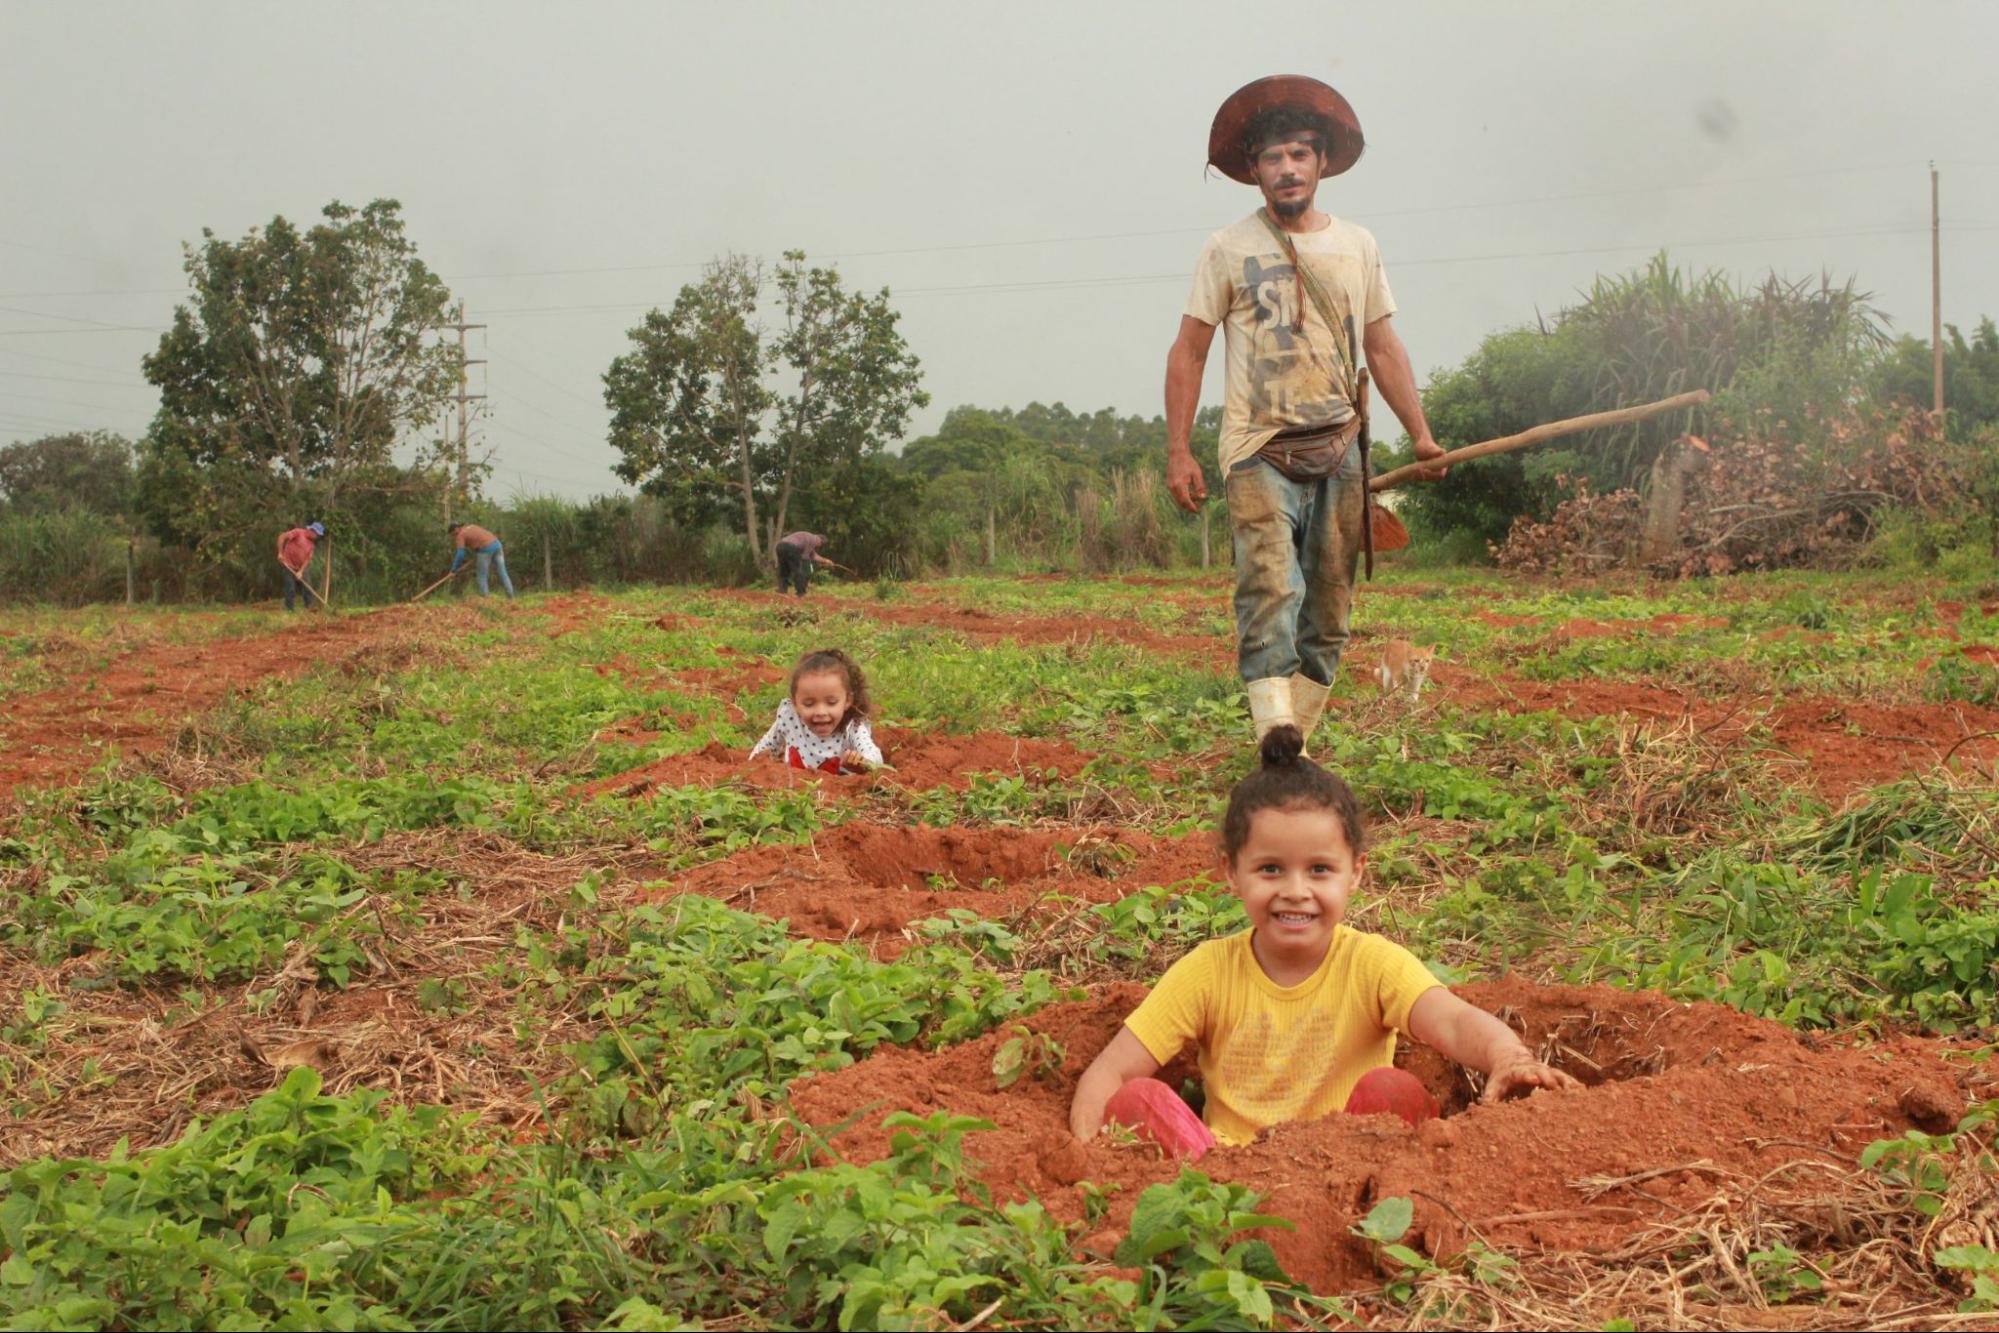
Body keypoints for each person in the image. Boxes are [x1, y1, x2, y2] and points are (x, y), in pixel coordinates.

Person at [1069, 726, 1578, 1156]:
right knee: (1139, 1099)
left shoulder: (1372, 964)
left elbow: (1451, 1019)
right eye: (1270, 869)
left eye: (1319, 870)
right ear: (1231, 873)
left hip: (1350, 1167)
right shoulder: (1208, 971)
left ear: (1354, 873)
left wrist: (1508, 1056)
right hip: (1221, 1181)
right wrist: (1085, 1161)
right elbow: (1109, 1074)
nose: (1296, 892)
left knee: (1393, 1090)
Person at [1164, 76, 1450, 749]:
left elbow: (1380, 345)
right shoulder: (1226, 248)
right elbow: (1188, 350)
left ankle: (1294, 741)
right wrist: (1178, 449)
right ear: (1255, 172)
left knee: (1327, 611)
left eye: (1298, 153)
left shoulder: (1356, 246)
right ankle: (1276, 749)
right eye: (1272, 157)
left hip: (1339, 448)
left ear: (1321, 162)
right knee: (1269, 591)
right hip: (1257, 448)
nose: (1286, 168)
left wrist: (1422, 434)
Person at [748, 648, 883, 775]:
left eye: (831, 703)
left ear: (847, 700)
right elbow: (762, 751)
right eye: (809, 704)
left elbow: (875, 757)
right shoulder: (790, 718)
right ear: (795, 703)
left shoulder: (852, 727)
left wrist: (862, 762)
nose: (820, 712)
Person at [448, 522, 516, 599]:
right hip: (497, 545)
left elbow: (460, 554)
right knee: (503, 573)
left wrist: (454, 570)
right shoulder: (472, 526)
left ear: (456, 529)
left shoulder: (460, 535)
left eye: (453, 534)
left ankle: (485, 599)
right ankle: (511, 598)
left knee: (481, 575)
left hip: (485, 549)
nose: (454, 536)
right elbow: (479, 538)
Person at [275, 521, 326, 612]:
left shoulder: (311, 544)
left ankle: (309, 607)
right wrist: (280, 552)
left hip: (300, 567)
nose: (317, 537)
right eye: (317, 534)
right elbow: (282, 537)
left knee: (307, 587)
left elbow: (307, 559)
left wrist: (301, 571)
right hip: (288, 565)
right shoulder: (298, 532)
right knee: (290, 588)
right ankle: (289, 610)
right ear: (312, 530)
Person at [774, 531, 836, 597]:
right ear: (819, 539)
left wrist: (826, 561)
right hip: (790, 547)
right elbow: (805, 557)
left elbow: (813, 555)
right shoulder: (813, 540)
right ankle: (801, 593)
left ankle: (782, 590)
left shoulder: (808, 537)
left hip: (780, 546)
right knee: (798, 570)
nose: (819, 546)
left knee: (783, 569)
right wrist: (807, 571)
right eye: (821, 544)